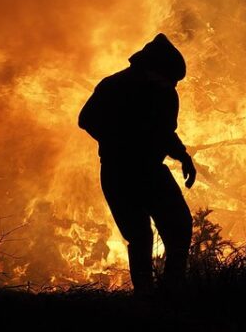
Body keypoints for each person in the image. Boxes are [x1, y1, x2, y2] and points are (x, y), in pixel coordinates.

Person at [78, 33, 197, 294]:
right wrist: (119, 140)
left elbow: (165, 133)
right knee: (140, 236)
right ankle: (145, 296)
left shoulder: (165, 94)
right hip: (119, 172)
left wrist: (183, 156)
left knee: (179, 226)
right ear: (151, 68)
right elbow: (86, 119)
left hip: (151, 171)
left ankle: (172, 290)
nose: (173, 86)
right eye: (170, 79)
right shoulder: (113, 86)